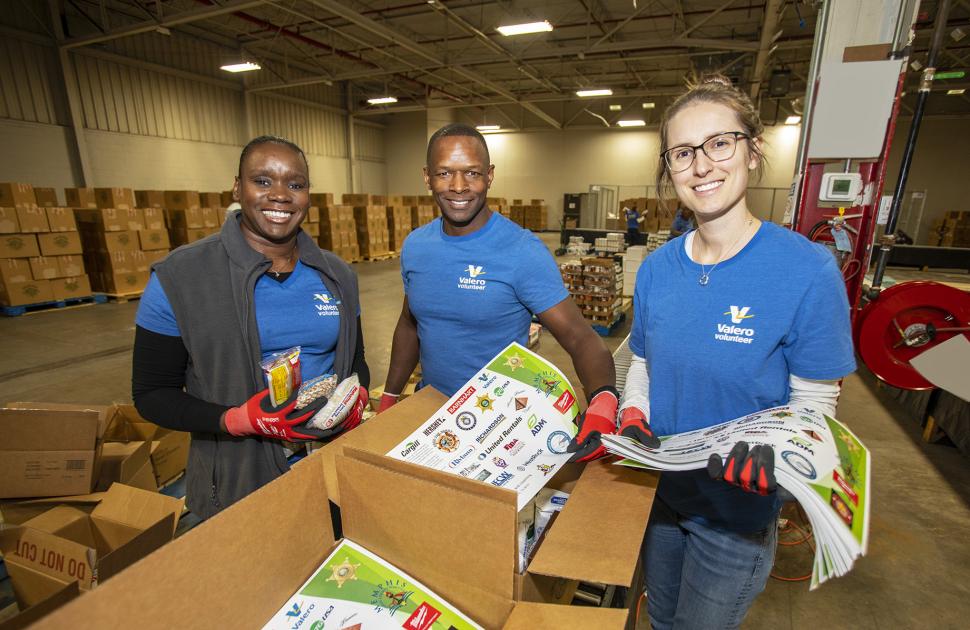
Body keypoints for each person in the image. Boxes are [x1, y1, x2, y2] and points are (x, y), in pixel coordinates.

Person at [616, 76, 855, 628]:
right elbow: (645, 366)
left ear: (752, 150)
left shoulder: (806, 270)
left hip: (736, 516)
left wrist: (782, 451)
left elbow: (816, 401)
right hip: (661, 498)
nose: (702, 166)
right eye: (682, 152)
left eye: (719, 143)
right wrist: (634, 414)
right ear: (668, 167)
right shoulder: (656, 270)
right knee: (660, 620)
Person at [132, 135, 369, 520]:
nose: (280, 195)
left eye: (295, 184)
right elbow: (151, 393)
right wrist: (235, 419)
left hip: (328, 467)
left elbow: (355, 359)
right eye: (262, 181)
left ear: (308, 194)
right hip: (236, 479)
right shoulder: (181, 277)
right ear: (237, 188)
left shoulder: (336, 274)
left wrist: (355, 398)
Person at [379, 123, 618, 461]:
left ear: (489, 175)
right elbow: (409, 323)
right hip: (431, 411)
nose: (459, 187)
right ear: (426, 176)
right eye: (445, 172)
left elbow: (580, 338)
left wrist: (603, 401)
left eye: (472, 173)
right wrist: (390, 395)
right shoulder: (416, 246)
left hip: (501, 424)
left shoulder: (521, 251)